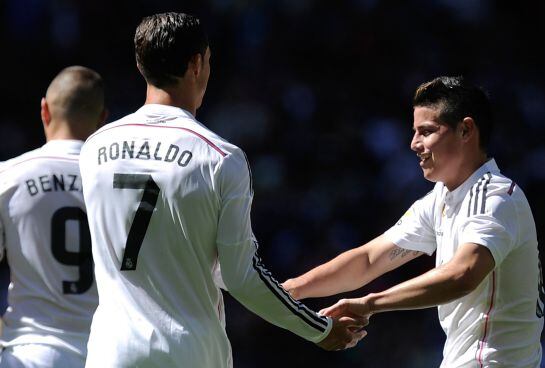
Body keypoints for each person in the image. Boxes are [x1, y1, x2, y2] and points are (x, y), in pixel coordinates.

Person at [79, 12, 365, 368]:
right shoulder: (219, 157)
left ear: (141, 65)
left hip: (111, 351)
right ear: (197, 64)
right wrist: (320, 329)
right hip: (188, 351)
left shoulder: (94, 147)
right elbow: (240, 276)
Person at [283, 76, 544, 367]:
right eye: (414, 132)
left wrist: (370, 304)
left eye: (426, 131)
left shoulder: (495, 197)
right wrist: (289, 290)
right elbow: (369, 259)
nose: (413, 144)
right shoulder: (442, 198)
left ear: (466, 130)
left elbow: (462, 275)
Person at [0, 66, 106, 367]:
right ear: (102, 119)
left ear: (44, 110)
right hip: (103, 353)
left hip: (29, 353)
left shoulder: (8, 177)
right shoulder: (120, 185)